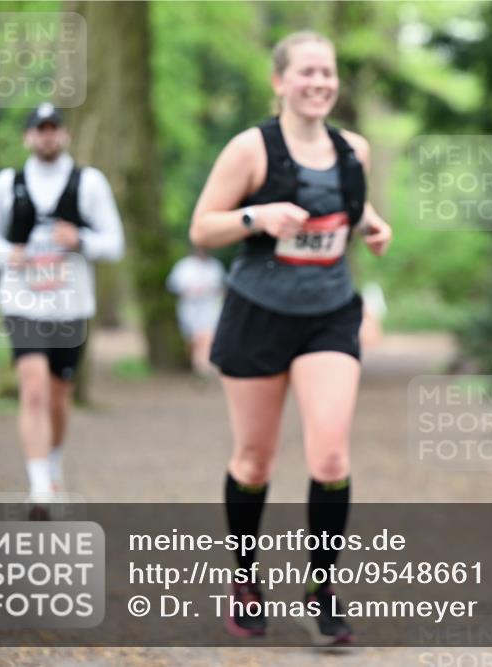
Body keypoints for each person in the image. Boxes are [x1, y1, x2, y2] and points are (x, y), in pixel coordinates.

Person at [189, 30, 392, 645]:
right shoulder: (251, 149)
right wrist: (256, 216)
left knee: (330, 454)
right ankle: (246, 578)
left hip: (329, 312)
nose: (319, 82)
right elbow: (203, 229)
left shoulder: (353, 148)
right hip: (258, 312)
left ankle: (322, 589)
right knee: (254, 460)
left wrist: (372, 224)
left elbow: (346, 213)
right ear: (280, 81)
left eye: (326, 72)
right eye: (306, 72)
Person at [0, 102, 125, 507]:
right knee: (34, 386)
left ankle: (52, 462)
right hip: (22, 300)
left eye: (53, 128)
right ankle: (39, 485)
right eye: (39, 129)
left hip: (71, 304)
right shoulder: (8, 184)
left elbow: (114, 243)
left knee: (59, 395)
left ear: (65, 134)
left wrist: (80, 240)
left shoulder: (88, 183)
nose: (47, 135)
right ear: (28, 136)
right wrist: (10, 255)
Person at [166, 247, 226, 376]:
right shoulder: (184, 266)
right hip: (190, 307)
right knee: (194, 338)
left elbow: (221, 286)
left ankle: (204, 366)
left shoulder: (215, 266)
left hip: (210, 306)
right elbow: (174, 285)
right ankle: (198, 363)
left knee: (207, 335)